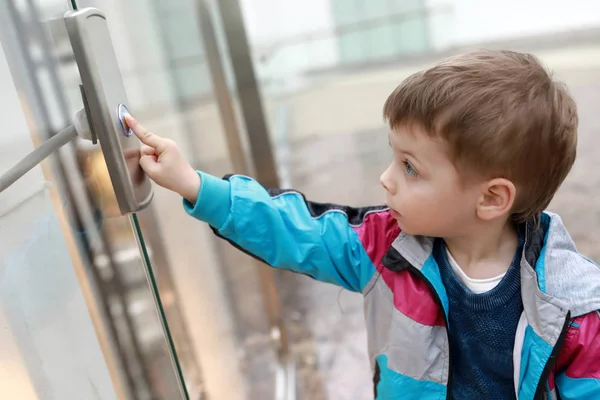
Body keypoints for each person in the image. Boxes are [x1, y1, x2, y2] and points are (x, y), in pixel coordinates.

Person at [124, 49, 600, 400]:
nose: (385, 180)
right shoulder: (385, 248)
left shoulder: (575, 313)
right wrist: (194, 185)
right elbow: (295, 230)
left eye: (410, 167)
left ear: (492, 198)